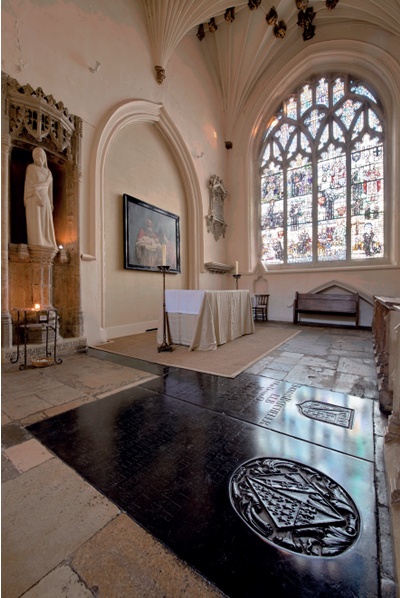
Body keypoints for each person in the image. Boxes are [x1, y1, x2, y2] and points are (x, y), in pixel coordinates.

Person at [24, 147, 58, 248]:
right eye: (37, 157)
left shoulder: (48, 172)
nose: (40, 159)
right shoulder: (30, 168)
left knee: (45, 224)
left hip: (45, 201)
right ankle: (37, 243)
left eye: (42, 157)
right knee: (36, 223)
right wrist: (37, 196)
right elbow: (29, 185)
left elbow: (49, 190)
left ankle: (47, 242)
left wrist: (50, 203)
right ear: (34, 157)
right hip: (34, 199)